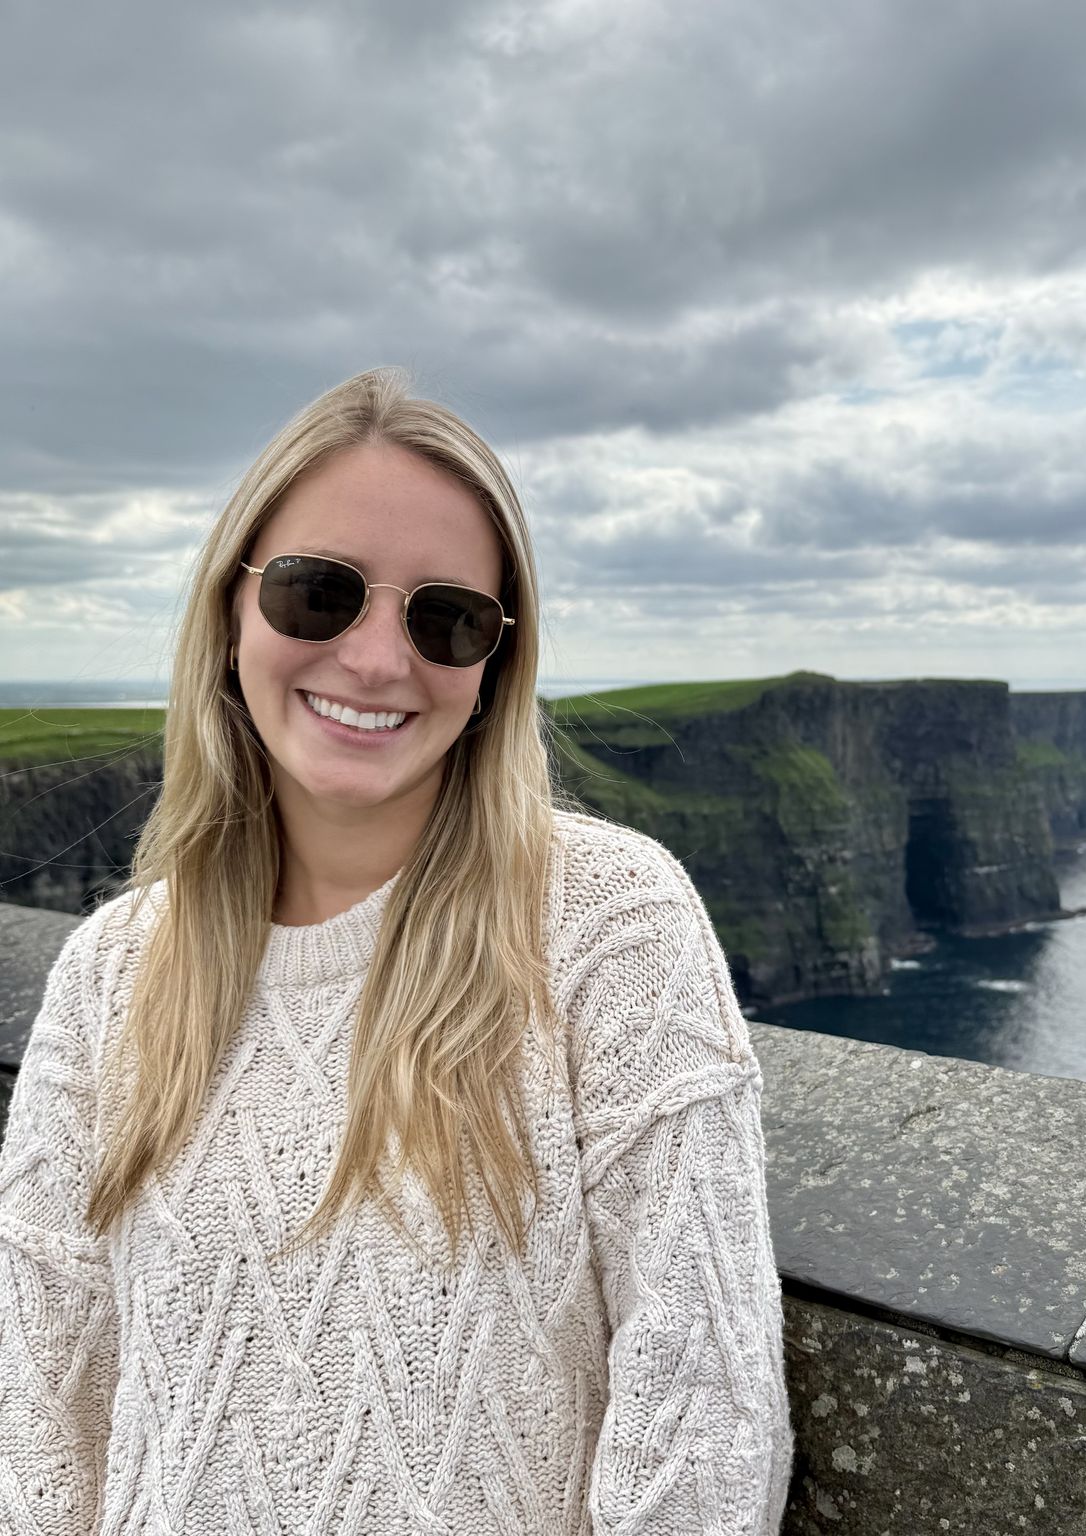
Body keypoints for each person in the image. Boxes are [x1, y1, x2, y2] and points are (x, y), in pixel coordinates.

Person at [0, 368, 794, 1533]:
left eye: (446, 618)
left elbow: (704, 1428)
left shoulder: (610, 923)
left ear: (492, 669)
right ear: (231, 609)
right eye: (319, 593)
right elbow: (34, 1413)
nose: (378, 659)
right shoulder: (115, 972)